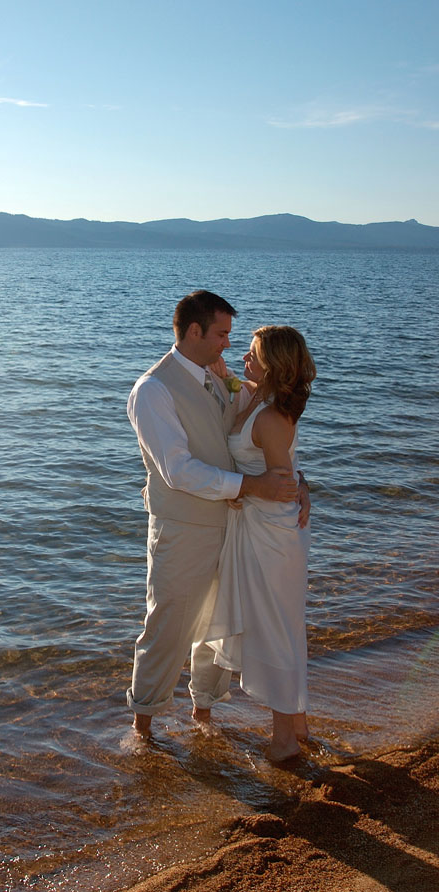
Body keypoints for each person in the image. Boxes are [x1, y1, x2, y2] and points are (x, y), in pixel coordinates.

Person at [126, 291, 308, 738]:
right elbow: (178, 470)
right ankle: (143, 727)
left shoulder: (220, 378)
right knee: (168, 625)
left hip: (236, 528)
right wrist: (253, 486)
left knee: (216, 626)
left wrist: (299, 484)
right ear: (194, 332)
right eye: (222, 334)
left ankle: (203, 716)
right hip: (183, 529)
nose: (228, 344)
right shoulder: (153, 390)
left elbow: (272, 427)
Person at [206, 325, 317, 761]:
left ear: (273, 365)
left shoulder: (271, 417)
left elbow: (283, 481)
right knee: (283, 627)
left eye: (253, 354)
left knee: (275, 630)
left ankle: (284, 740)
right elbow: (290, 468)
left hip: (272, 537)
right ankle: (298, 721)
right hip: (259, 528)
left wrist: (246, 491)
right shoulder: (252, 393)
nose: (244, 359)